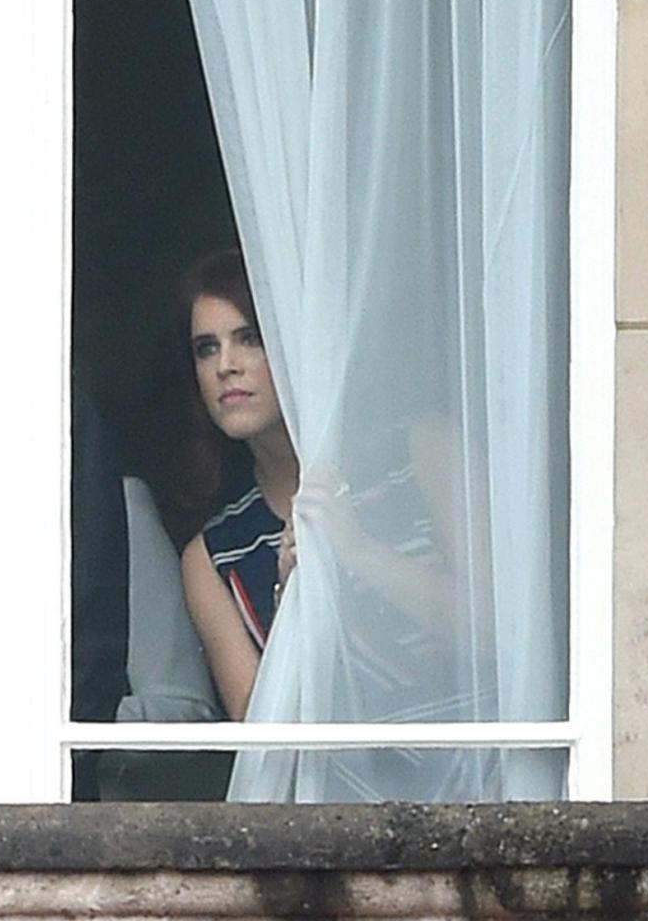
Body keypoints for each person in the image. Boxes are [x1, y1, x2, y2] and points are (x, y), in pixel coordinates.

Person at [176, 250, 467, 733]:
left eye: (250, 339)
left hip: (475, 778)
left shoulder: (420, 452)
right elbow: (257, 735)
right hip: (332, 794)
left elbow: (498, 635)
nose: (226, 365)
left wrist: (357, 551)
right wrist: (296, 604)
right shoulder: (214, 555)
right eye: (207, 348)